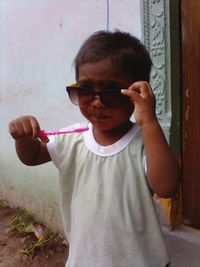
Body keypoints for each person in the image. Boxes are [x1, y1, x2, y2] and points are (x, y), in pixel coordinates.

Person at [9, 30, 180, 267]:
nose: (97, 103)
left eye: (111, 92)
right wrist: (23, 138)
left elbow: (167, 186)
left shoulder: (145, 141)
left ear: (137, 94)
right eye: (86, 90)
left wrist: (149, 121)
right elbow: (33, 156)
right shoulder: (72, 139)